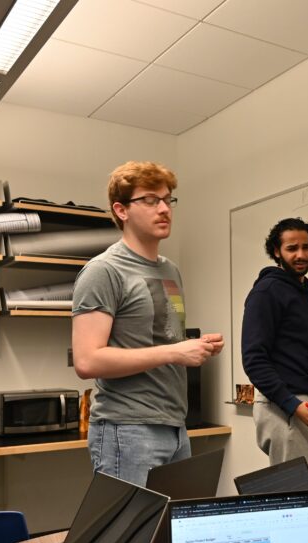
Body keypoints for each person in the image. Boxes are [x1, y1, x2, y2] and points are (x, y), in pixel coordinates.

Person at [72, 161, 224, 487]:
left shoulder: (171, 270)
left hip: (174, 427)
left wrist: (195, 348)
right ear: (121, 210)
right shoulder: (104, 271)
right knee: (130, 536)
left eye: (168, 200)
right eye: (151, 200)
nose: (164, 209)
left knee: (170, 536)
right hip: (126, 430)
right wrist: (175, 353)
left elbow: (163, 339)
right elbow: (87, 361)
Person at [241, 217, 308, 478]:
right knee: (295, 497)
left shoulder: (300, 289)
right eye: (292, 248)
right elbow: (254, 360)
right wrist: (293, 405)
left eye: (306, 247)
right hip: (286, 406)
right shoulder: (267, 292)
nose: (301, 254)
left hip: (300, 404)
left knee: (299, 495)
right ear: (276, 252)